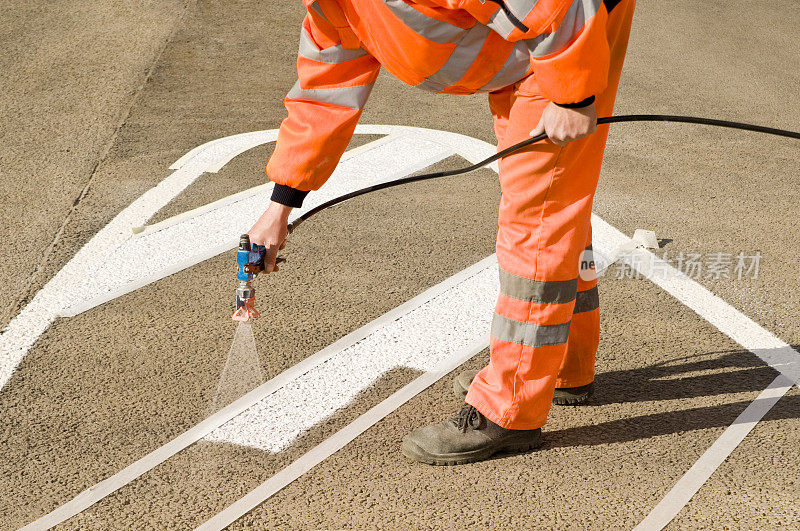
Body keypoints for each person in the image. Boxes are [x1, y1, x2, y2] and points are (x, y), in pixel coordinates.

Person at [248, 0, 636, 465]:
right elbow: (323, 97)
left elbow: (556, 6)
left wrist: (572, 95)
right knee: (554, 214)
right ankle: (563, 370)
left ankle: (510, 409)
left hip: (568, 40)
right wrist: (281, 205)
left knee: (537, 223)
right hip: (529, 53)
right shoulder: (332, 10)